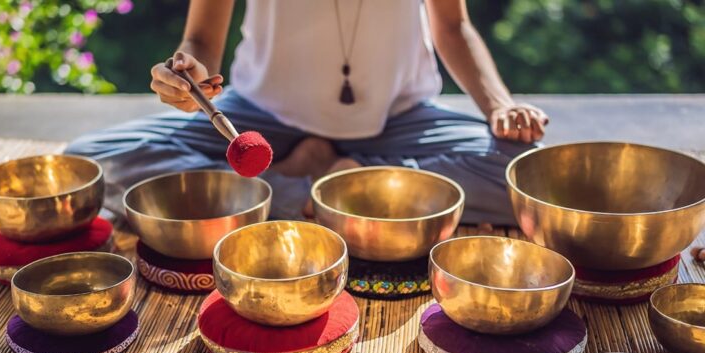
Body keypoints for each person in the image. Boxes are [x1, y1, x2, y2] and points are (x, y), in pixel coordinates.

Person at [66, 0, 549, 225]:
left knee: (530, 177)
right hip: (260, 117)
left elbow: (452, 26)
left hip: (398, 121)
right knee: (92, 160)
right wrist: (188, 74)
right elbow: (202, 42)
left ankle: (345, 179)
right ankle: (316, 193)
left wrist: (500, 106)